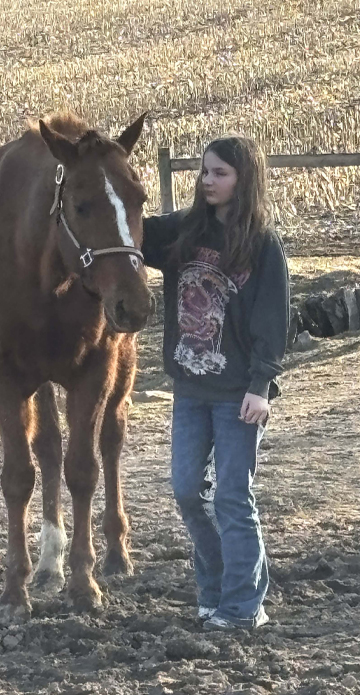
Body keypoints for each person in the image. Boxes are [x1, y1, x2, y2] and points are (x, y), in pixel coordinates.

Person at [141, 135, 289, 630]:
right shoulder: (180, 232)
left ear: (244, 179)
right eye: (204, 171)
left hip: (237, 395)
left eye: (219, 173)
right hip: (189, 391)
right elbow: (122, 229)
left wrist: (261, 385)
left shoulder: (263, 245)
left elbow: (273, 320)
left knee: (231, 496)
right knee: (186, 491)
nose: (208, 181)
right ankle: (218, 587)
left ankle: (245, 607)